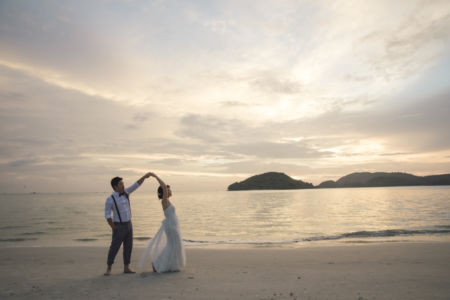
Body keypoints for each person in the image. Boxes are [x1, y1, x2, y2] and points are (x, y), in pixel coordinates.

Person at [104, 172, 152, 276]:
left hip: (129, 224)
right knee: (114, 247)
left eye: (123, 183)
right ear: (115, 186)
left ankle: (126, 267)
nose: (123, 185)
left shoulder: (126, 192)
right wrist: (113, 227)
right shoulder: (110, 199)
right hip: (118, 225)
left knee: (128, 246)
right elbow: (107, 215)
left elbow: (136, 184)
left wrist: (145, 176)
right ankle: (109, 268)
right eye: (121, 184)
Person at [140, 172, 186, 273]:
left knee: (173, 245)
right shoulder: (164, 200)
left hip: (172, 224)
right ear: (164, 192)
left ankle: (166, 264)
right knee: (174, 244)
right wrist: (155, 176)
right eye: (168, 190)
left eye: (169, 189)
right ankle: (156, 264)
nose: (169, 191)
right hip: (171, 226)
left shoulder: (167, 201)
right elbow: (164, 186)